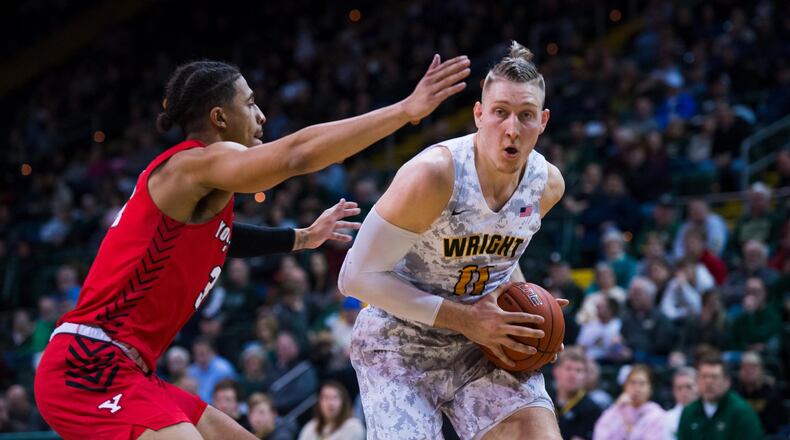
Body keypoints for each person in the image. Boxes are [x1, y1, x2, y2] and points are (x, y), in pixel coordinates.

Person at [34, 55, 471, 440]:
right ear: (220, 118)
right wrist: (404, 111)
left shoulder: (201, 200)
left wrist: (300, 238)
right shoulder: (190, 166)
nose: (261, 116)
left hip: (130, 370)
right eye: (250, 104)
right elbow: (297, 155)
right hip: (86, 364)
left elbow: (223, 240)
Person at [340, 41, 567, 439]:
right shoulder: (434, 175)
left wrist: (528, 320)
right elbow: (354, 277)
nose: (512, 128)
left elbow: (500, 254)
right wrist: (465, 319)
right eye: (501, 113)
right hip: (399, 347)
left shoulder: (546, 185)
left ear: (543, 120)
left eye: (526, 115)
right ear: (479, 114)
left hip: (481, 345)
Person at [677, 355, 763, 439]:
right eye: (704, 377)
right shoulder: (689, 412)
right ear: (697, 381)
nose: (708, 382)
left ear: (727, 382)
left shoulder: (741, 412)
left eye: (714, 377)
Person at [592, 365, 669, 440]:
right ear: (625, 386)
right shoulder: (615, 411)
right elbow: (600, 435)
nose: (636, 388)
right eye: (632, 383)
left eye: (642, 384)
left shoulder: (657, 415)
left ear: (651, 389)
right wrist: (616, 406)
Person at [551, 347, 601, 440]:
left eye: (578, 370)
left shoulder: (593, 410)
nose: (573, 374)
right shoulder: (544, 400)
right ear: (556, 371)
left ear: (585, 376)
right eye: (568, 368)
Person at [297, 381, 365, 440]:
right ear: (319, 402)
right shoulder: (310, 427)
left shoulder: (354, 426)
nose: (330, 403)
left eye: (335, 398)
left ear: (343, 402)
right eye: (326, 398)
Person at [665, 367, 698, 439]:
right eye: (679, 388)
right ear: (673, 391)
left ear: (698, 386)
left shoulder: (709, 412)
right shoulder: (667, 418)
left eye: (688, 387)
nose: (683, 392)